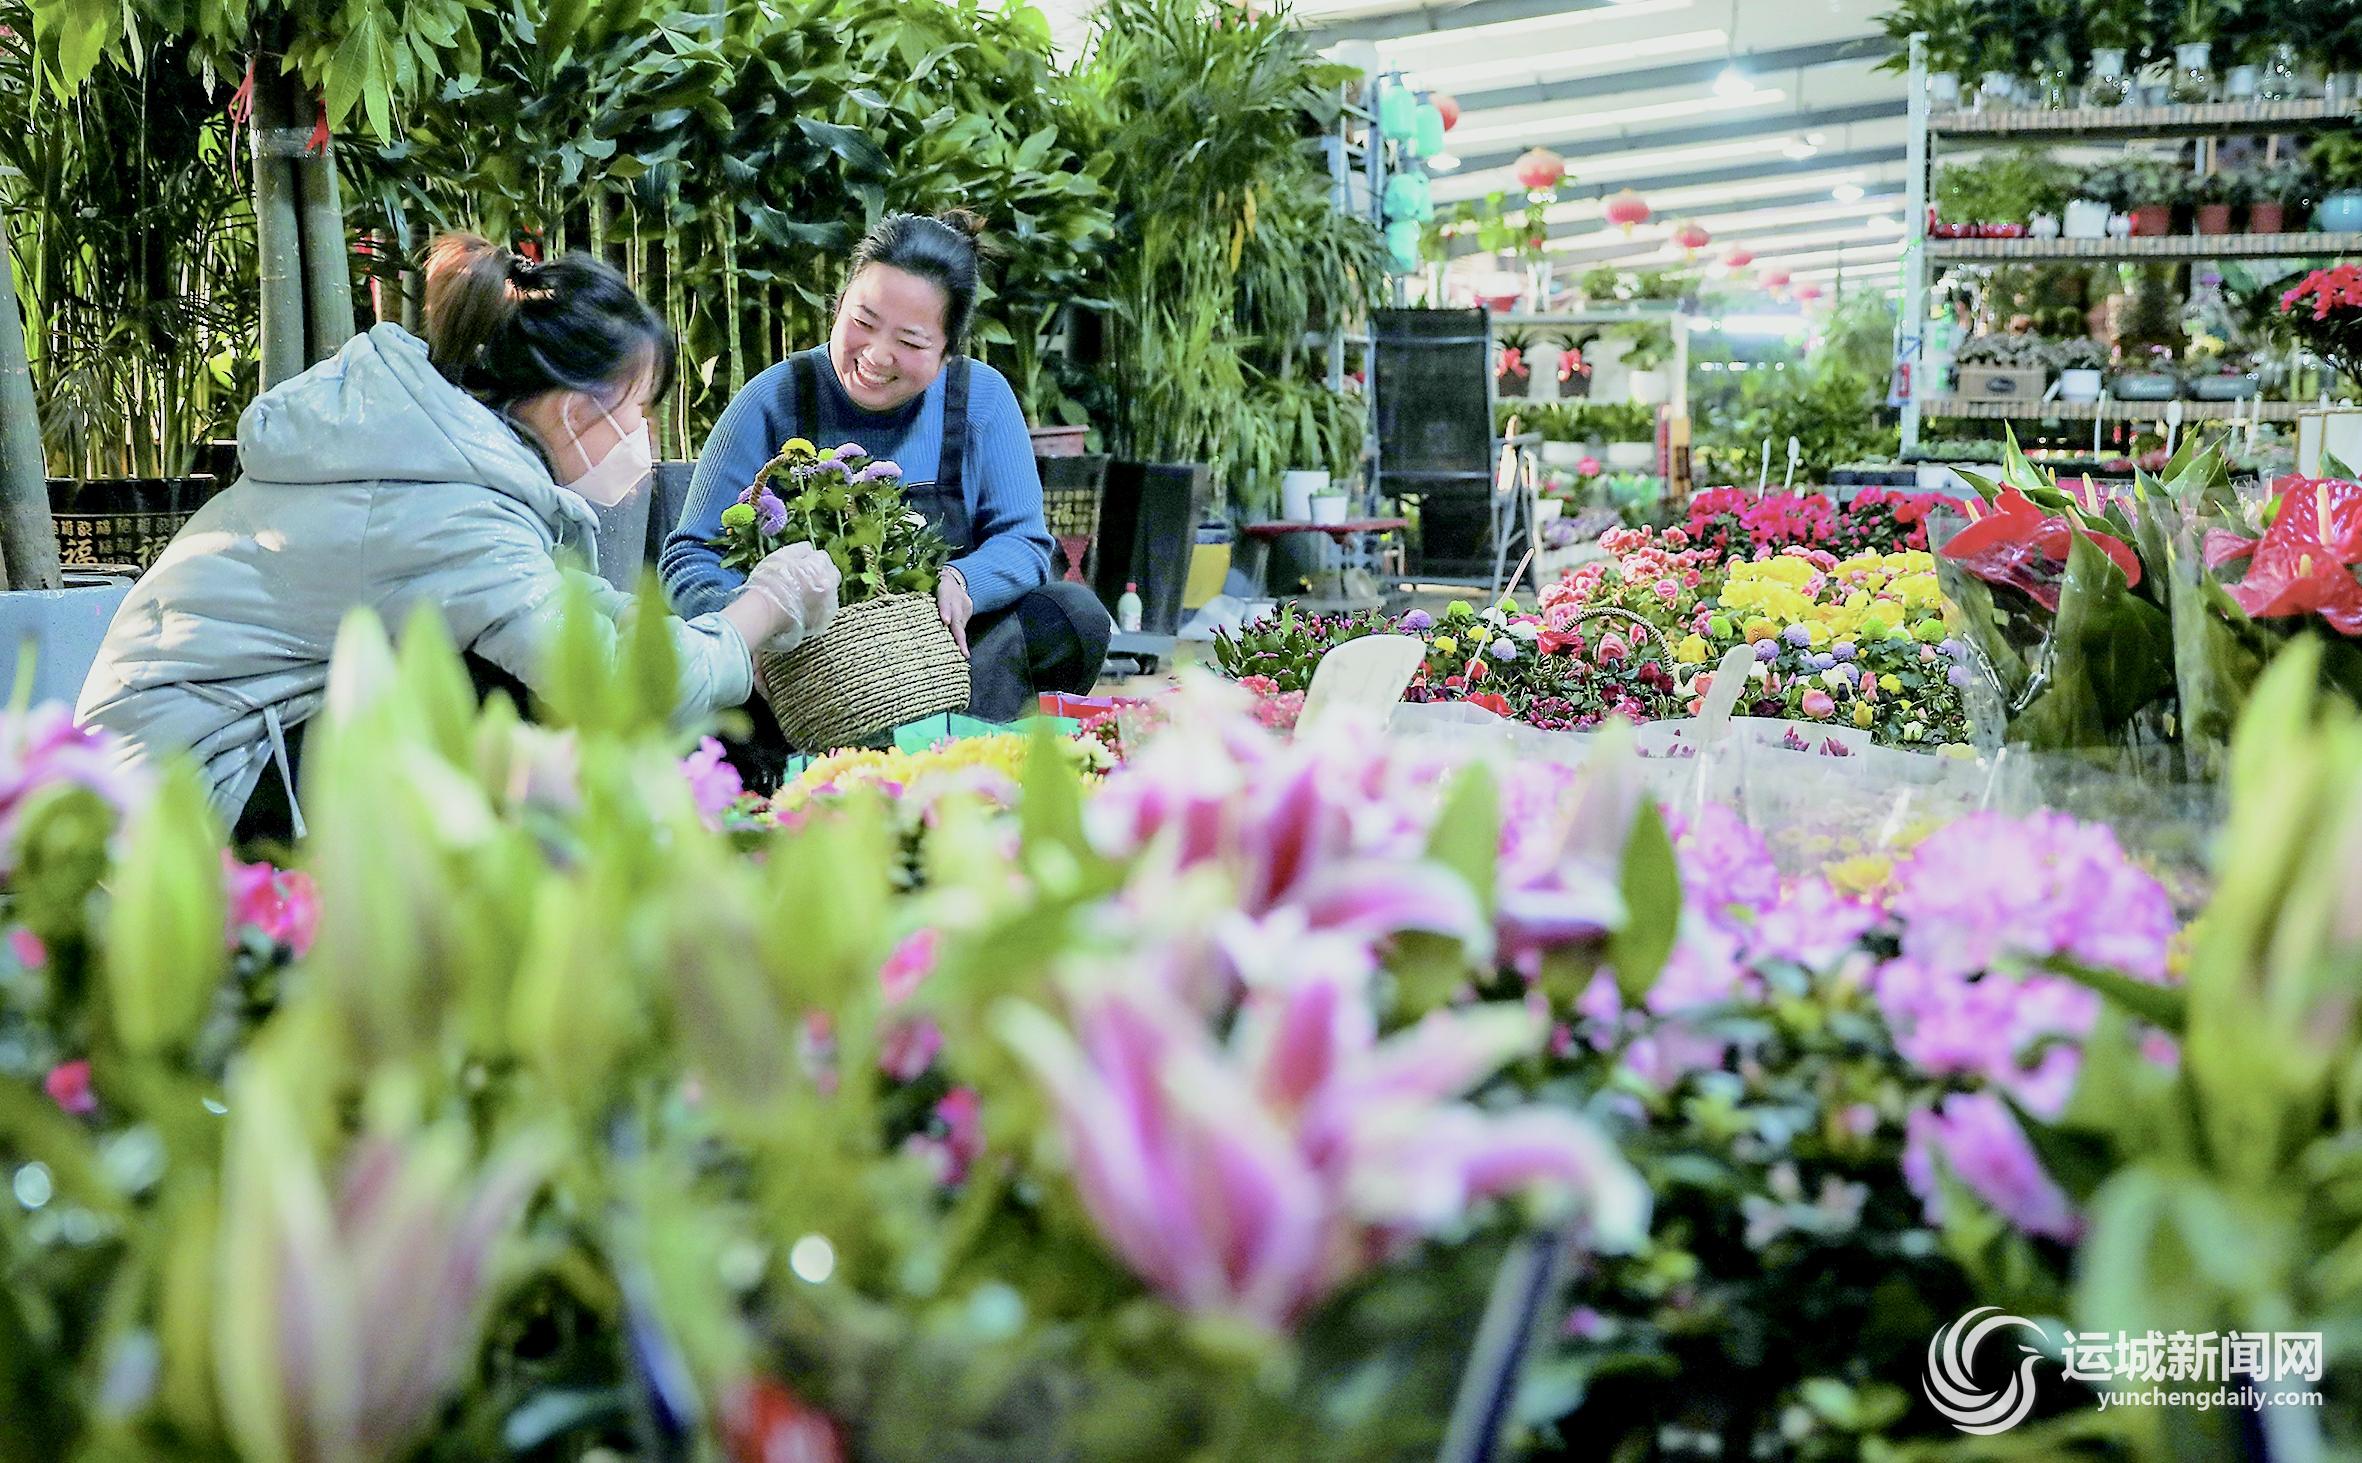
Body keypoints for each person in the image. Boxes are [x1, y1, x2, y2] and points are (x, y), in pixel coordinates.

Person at [76, 233, 841, 838]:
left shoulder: (437, 451)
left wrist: (724, 645)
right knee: (526, 703)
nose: (643, 433)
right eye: (640, 408)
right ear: (578, 411)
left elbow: (579, 614)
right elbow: (607, 677)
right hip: (185, 786)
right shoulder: (442, 504)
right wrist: (757, 613)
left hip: (223, 750)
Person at [661, 209, 1111, 730]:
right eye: (863, 322)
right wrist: (752, 620)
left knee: (1072, 618)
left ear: (947, 352)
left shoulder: (982, 399)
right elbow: (691, 553)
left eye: (911, 342)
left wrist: (963, 580)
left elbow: (1025, 541)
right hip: (799, 677)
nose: (876, 355)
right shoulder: (773, 399)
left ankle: (948, 744)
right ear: (839, 303)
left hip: (944, 665)